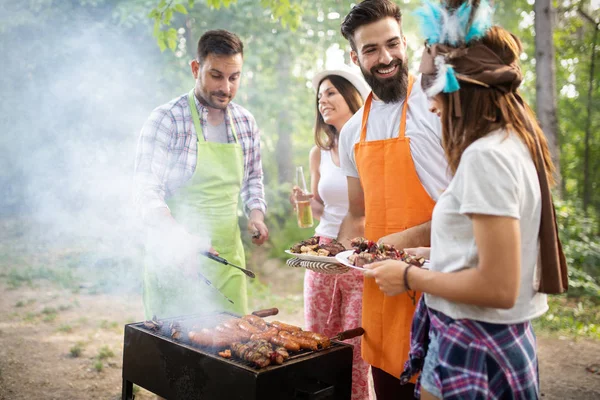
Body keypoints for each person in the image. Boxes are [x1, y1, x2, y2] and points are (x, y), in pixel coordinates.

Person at [364, 1, 556, 398]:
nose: (431, 106)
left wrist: (407, 277)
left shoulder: (486, 157)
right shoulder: (509, 143)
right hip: (484, 335)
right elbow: (481, 252)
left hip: (475, 341)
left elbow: (499, 286)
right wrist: (422, 252)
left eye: (433, 92)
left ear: (461, 89)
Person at [337, 0, 450, 398]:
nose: (385, 58)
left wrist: (394, 245)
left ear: (406, 42)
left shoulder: (440, 106)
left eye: (392, 44)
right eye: (370, 49)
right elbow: (357, 213)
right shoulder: (351, 131)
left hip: (442, 284)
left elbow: (469, 211)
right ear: (355, 56)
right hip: (381, 293)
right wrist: (338, 251)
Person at [134, 29, 268, 319]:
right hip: (174, 258)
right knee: (173, 357)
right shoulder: (166, 120)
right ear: (196, 69)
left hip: (227, 264)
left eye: (234, 77)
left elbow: (253, 179)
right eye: (216, 75)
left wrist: (256, 214)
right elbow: (146, 191)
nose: (226, 87)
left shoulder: (245, 122)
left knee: (230, 355)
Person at [289, 66, 371, 400]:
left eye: (331, 93)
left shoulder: (367, 146)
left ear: (351, 96)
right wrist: (308, 203)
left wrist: (346, 249)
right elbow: (322, 208)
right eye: (319, 96)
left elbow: (367, 208)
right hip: (321, 256)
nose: (323, 101)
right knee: (317, 340)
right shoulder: (318, 153)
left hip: (357, 255)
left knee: (355, 346)